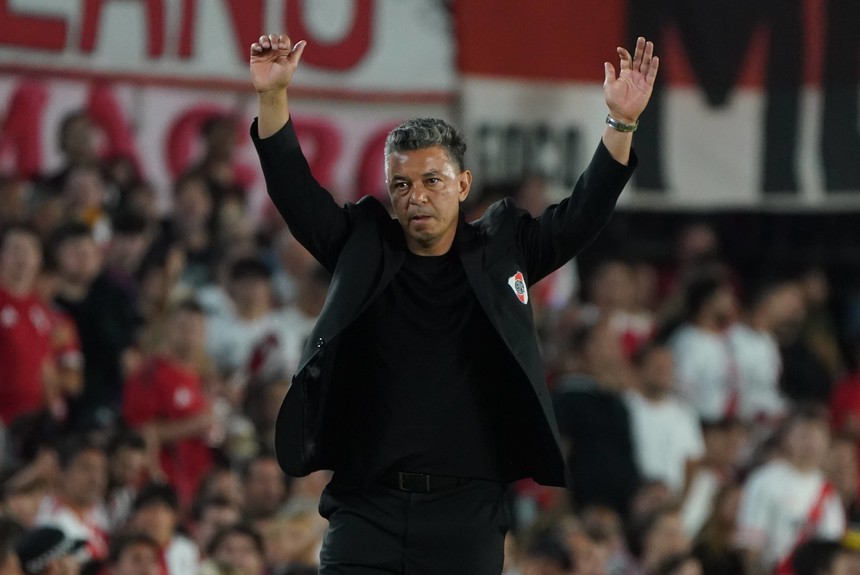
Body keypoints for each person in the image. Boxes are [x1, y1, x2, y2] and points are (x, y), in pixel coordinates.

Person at [249, 31, 658, 574]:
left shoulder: (503, 246)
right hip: (366, 507)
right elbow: (294, 191)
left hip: (467, 515)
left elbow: (582, 212)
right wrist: (273, 96)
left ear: (463, 185)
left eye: (431, 180)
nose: (415, 195)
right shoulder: (362, 243)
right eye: (401, 184)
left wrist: (621, 123)